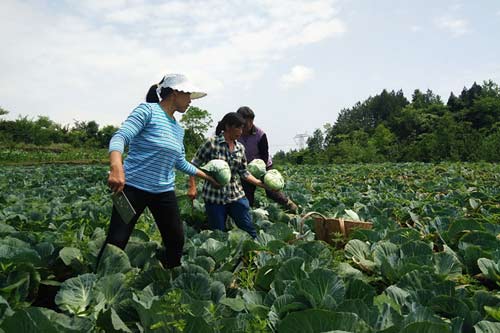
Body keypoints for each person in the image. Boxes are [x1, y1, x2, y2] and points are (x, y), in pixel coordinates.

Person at [97, 73, 219, 270]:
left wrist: (207, 177)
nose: (190, 101)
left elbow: (179, 161)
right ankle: (99, 280)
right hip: (132, 189)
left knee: (176, 240)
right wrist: (116, 167)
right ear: (175, 93)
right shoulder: (148, 111)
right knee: (117, 240)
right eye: (188, 95)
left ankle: (168, 280)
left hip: (163, 192)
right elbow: (120, 137)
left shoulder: (178, 130)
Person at [187, 112, 269, 238]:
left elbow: (243, 171)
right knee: (219, 233)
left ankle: (255, 252)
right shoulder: (211, 143)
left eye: (242, 128)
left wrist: (259, 183)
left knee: (248, 227)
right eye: (238, 127)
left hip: (236, 195)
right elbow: (193, 165)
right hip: (214, 196)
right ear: (227, 126)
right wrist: (192, 186)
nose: (241, 131)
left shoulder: (240, 148)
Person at [236, 106, 298, 212]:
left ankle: (290, 205)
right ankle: (249, 215)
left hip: (263, 165)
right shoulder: (236, 133)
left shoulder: (260, 134)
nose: (249, 125)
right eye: (246, 123)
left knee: (272, 190)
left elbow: (264, 155)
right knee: (247, 193)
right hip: (246, 167)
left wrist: (259, 170)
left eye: (251, 122)